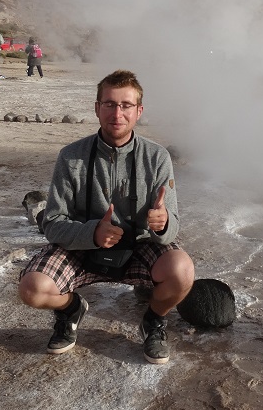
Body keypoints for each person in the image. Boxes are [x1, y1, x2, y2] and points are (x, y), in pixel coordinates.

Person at [18, 70, 194, 364]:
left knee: (182, 270)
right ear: (97, 107)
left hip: (138, 247)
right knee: (32, 289)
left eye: (126, 105)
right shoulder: (71, 156)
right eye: (109, 104)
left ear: (139, 111)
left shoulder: (157, 157)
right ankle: (70, 309)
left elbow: (172, 224)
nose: (117, 113)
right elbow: (52, 223)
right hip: (81, 247)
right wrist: (92, 233)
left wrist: (162, 224)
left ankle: (153, 320)